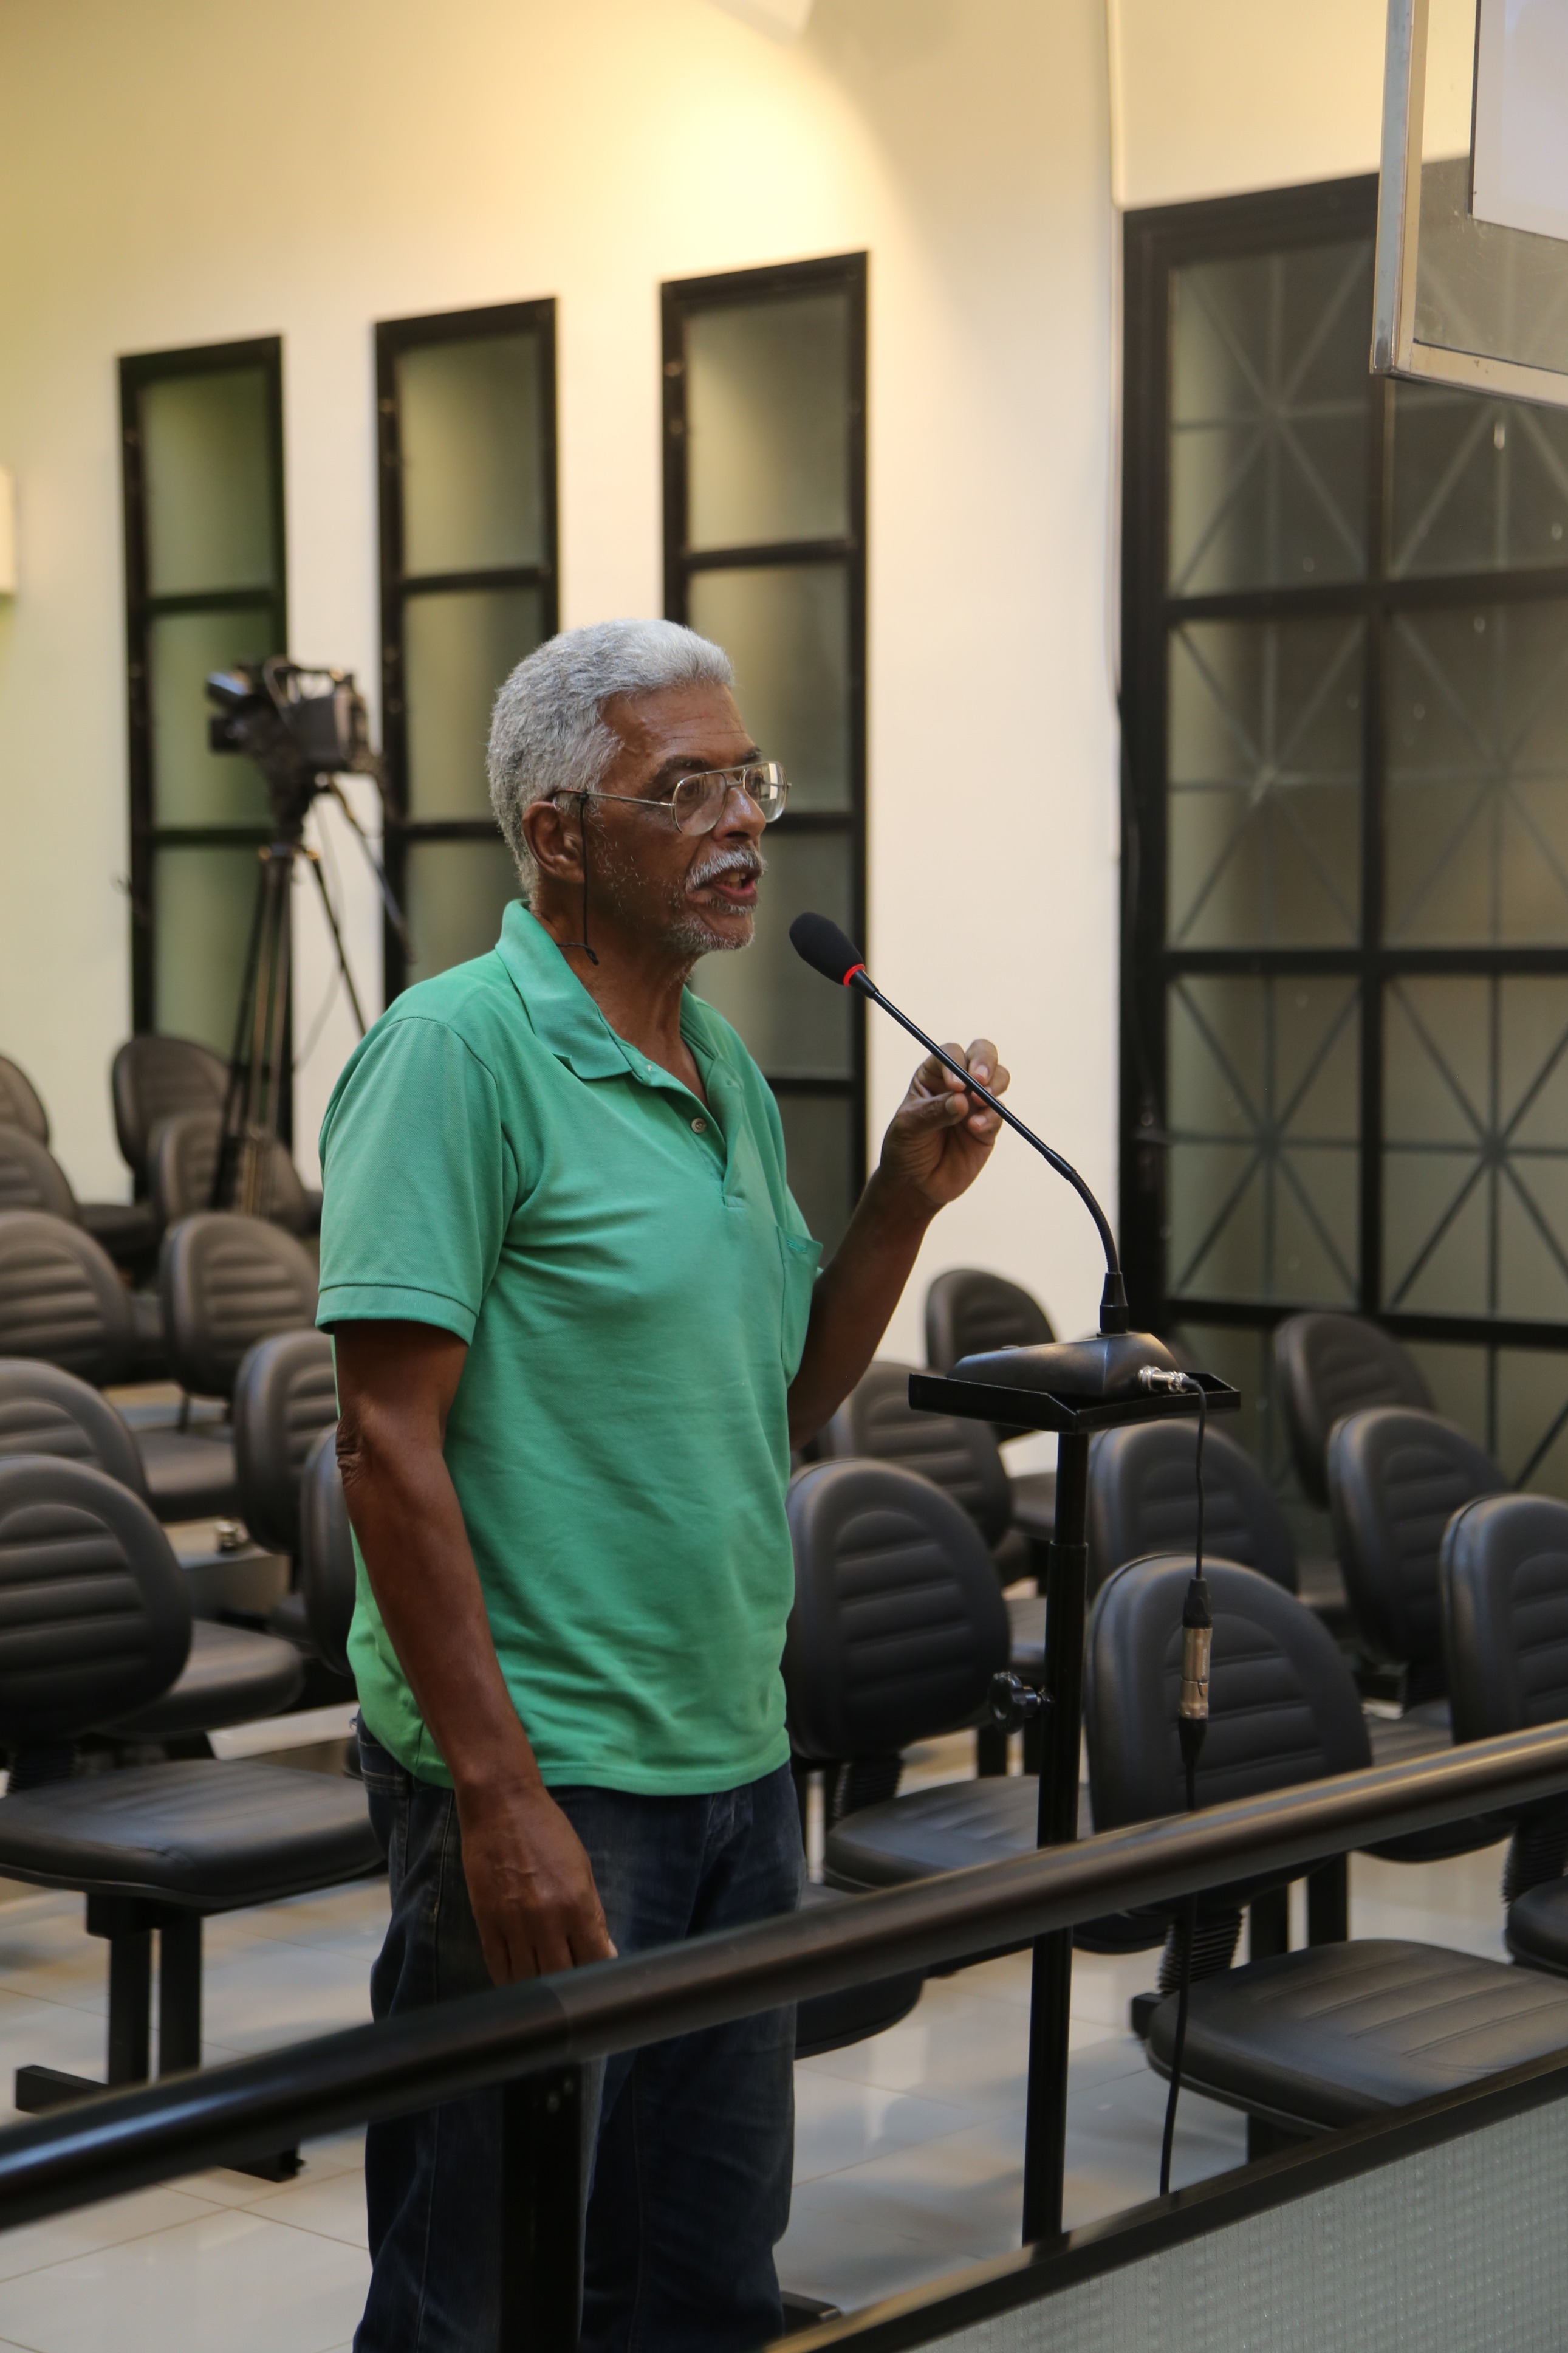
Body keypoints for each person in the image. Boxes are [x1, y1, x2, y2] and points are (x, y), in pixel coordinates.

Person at [320, 618, 1010, 2353]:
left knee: (704, 2284)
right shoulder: (455, 1054)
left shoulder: (724, 1077)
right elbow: (384, 1441)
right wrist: (499, 1798)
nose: (743, 823)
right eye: (686, 789)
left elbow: (778, 1403)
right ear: (559, 833)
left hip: (731, 1759)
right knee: (481, 2299)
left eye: (748, 781)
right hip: (548, 1773)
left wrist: (901, 1204)